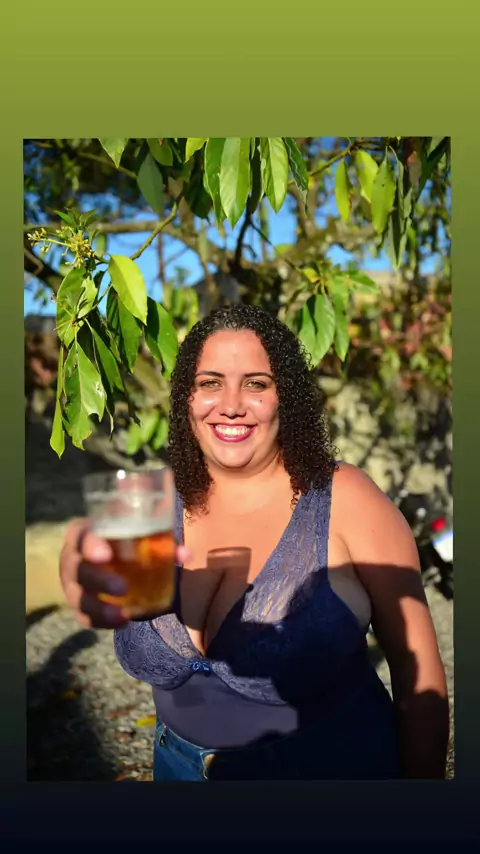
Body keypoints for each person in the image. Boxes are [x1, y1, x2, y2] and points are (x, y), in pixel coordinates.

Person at [59, 304, 449, 781]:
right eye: (210, 382)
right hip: (176, 769)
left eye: (256, 384)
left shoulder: (346, 499)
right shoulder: (149, 504)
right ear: (186, 397)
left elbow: (417, 671)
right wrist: (75, 563)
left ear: (287, 396)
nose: (231, 404)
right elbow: (86, 557)